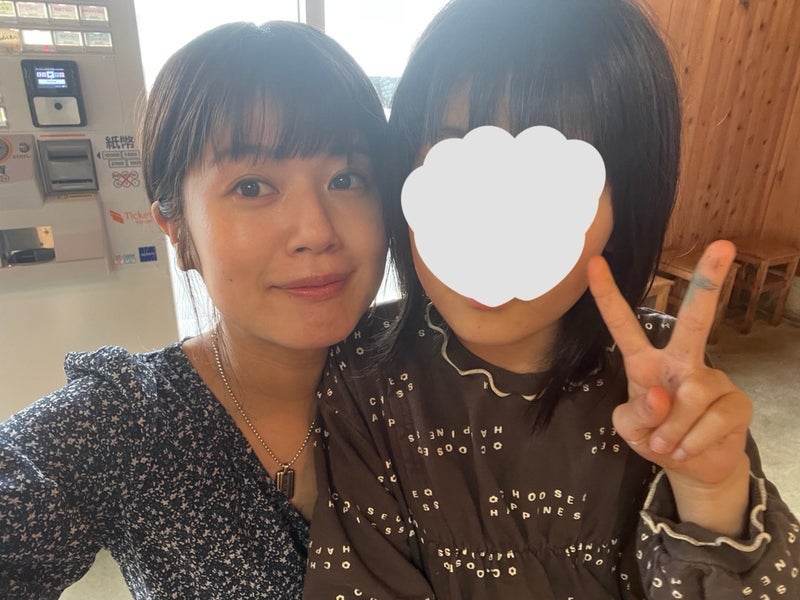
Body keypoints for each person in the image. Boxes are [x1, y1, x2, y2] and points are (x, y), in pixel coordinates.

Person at [304, 0, 800, 598]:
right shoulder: (366, 373)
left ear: (624, 210)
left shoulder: (667, 376)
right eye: (456, 164)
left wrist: (712, 496)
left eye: (549, 187)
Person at [0, 21, 387, 599]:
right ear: (177, 228)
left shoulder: (437, 375)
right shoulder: (128, 421)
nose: (316, 231)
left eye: (346, 178)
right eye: (252, 187)